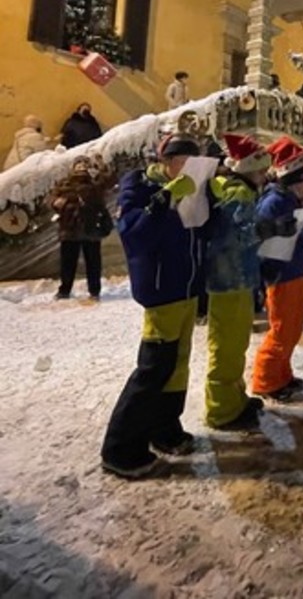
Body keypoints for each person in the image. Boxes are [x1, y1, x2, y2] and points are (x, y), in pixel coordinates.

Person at [101, 133, 213, 479]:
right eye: (182, 163)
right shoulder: (141, 187)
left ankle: (165, 428)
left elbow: (201, 238)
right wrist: (164, 200)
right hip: (162, 292)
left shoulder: (196, 189)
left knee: (177, 366)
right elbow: (133, 233)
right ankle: (120, 448)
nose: (189, 171)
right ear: (166, 163)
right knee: (154, 369)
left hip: (187, 289)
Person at [204, 134, 271, 432]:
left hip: (236, 276)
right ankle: (221, 410)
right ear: (248, 169)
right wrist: (267, 229)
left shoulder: (239, 189)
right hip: (229, 278)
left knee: (235, 342)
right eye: (261, 170)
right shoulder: (237, 193)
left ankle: (234, 398)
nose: (265, 175)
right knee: (227, 345)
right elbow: (234, 236)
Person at [251, 136, 303, 401]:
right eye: (301, 181)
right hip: (280, 273)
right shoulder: (274, 202)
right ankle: (265, 380)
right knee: (281, 329)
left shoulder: (295, 200)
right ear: (289, 179)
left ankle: (283, 374)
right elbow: (261, 237)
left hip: (296, 268)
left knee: (293, 327)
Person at [49, 154, 116, 300]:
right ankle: (65, 290)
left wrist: (101, 165)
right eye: (78, 165)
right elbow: (51, 200)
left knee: (92, 262)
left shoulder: (95, 184)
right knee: (69, 262)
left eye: (84, 165)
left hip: (88, 228)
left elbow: (110, 181)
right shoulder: (64, 184)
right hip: (70, 228)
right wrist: (56, 203)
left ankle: (93, 290)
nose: (81, 167)